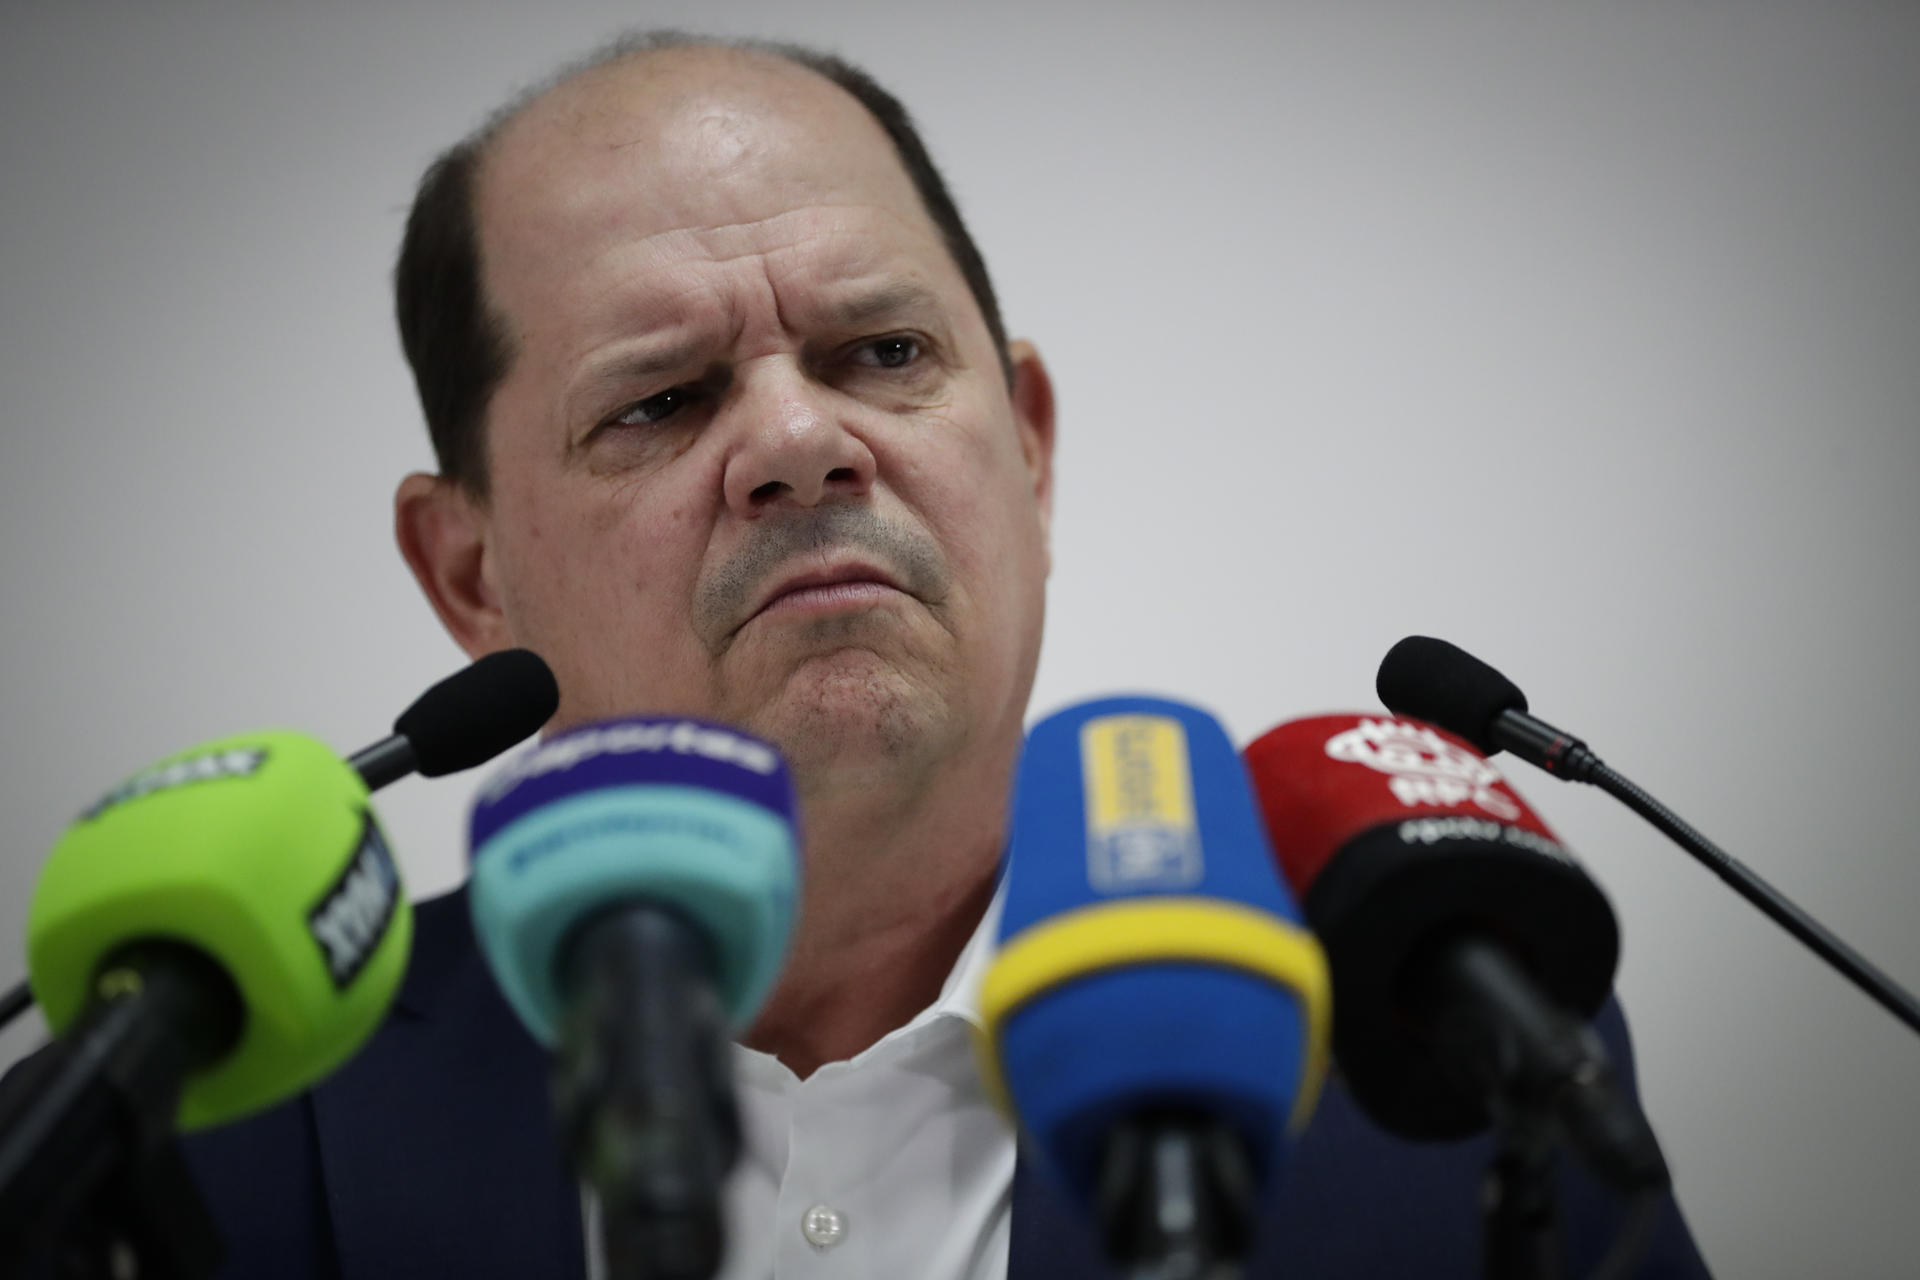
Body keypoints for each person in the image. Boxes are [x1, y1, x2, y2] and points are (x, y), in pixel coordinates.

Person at [176, 31, 1711, 1279]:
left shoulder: (1453, 1042)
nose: (796, 439)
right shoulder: (203, 1094)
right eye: (658, 399)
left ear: (1029, 452)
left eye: (882, 354)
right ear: (470, 570)